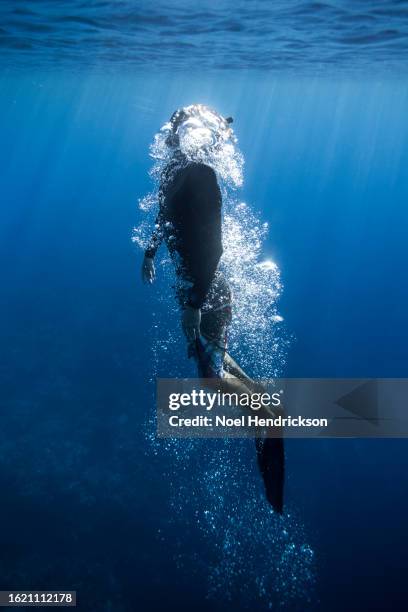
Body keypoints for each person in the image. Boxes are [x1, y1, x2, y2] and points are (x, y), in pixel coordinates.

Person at [141, 105, 284, 514]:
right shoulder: (176, 173)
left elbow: (216, 248)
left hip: (206, 290)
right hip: (195, 289)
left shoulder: (201, 175)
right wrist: (150, 252)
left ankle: (268, 417)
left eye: (177, 134)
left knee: (210, 378)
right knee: (211, 361)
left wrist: (193, 304)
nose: (171, 140)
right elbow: (164, 213)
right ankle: (262, 407)